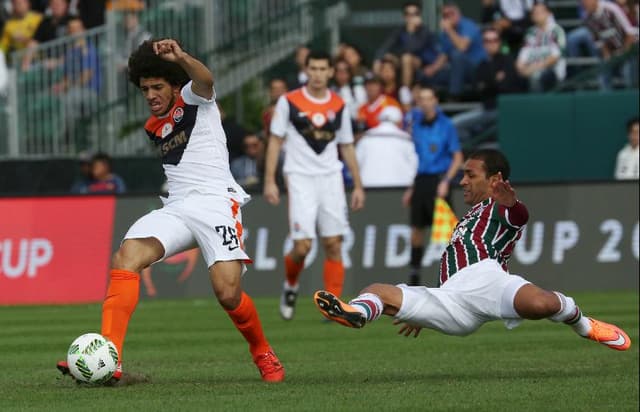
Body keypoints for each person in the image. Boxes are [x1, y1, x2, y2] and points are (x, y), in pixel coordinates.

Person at [56, 38, 285, 384]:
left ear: (175, 84)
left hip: (216, 204)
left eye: (157, 86)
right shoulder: (154, 126)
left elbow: (206, 80)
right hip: (177, 208)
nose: (150, 94)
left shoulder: (195, 99)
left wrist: (180, 57)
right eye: (145, 88)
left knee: (228, 293)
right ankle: (110, 358)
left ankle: (263, 353)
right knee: (126, 256)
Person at [314, 149, 631, 354]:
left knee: (542, 303)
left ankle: (585, 325)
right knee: (377, 290)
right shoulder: (467, 217)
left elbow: (518, 217)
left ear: (495, 180)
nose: (462, 180)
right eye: (463, 174)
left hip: (489, 282)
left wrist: (511, 204)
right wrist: (419, 315)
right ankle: (357, 313)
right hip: (450, 298)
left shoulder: (499, 206)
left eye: (470, 175)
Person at [263, 50, 366, 321]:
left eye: (323, 69)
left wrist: (357, 185)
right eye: (314, 68)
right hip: (299, 177)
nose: (318, 74)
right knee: (302, 247)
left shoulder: (339, 104)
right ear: (306, 71)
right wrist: (270, 180)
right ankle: (291, 285)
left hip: (331, 178)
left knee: (334, 243)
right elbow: (275, 141)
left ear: (331, 72)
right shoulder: (289, 102)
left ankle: (334, 308)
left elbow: (347, 145)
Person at [403, 85, 463, 286]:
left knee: (448, 232)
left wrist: (446, 181)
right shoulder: (416, 126)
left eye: (428, 98)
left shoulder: (446, 125)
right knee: (416, 229)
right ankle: (414, 275)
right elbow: (416, 158)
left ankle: (451, 276)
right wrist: (412, 187)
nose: (425, 103)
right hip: (421, 179)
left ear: (436, 100)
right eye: (421, 99)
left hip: (439, 179)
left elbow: (457, 157)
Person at [454, 28, 522, 148]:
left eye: (494, 40)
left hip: (503, 109)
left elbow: (507, 87)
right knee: (454, 125)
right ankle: (473, 148)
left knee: (456, 123)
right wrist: (495, 81)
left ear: (499, 42)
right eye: (487, 40)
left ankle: (475, 146)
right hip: (486, 108)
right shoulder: (482, 64)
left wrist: (487, 84)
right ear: (483, 44)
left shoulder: (508, 60)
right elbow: (478, 89)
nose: (491, 44)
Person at [373, 1, 440, 99]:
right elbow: (385, 47)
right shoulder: (400, 30)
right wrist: (378, 60)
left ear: (419, 15)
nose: (411, 17)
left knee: (406, 58)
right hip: (403, 62)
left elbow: (414, 48)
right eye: (408, 14)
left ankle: (405, 93)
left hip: (423, 64)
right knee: (385, 60)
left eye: (415, 14)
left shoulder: (425, 31)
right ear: (404, 16)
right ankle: (379, 96)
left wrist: (410, 33)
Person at [421, 1, 486, 100]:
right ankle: (430, 100)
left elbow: (462, 47)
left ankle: (454, 96)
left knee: (457, 55)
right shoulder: (445, 33)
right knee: (428, 74)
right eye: (445, 15)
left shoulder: (468, 25)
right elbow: (444, 55)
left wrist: (449, 30)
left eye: (452, 13)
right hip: (456, 72)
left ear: (458, 13)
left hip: (476, 70)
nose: (449, 17)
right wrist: (432, 69)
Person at [53, 16, 101, 147]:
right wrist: (60, 86)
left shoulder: (89, 49)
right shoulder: (70, 52)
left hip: (89, 91)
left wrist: (68, 86)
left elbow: (86, 76)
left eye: (77, 29)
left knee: (68, 99)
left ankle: (65, 140)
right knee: (54, 98)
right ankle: (70, 139)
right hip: (74, 91)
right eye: (72, 29)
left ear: (84, 30)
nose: (74, 32)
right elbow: (66, 77)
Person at [581, 0, 639, 89]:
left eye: (587, 1)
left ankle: (630, 94)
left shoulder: (611, 9)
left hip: (629, 50)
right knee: (603, 68)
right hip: (613, 53)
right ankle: (605, 97)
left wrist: (624, 53)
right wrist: (607, 57)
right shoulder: (587, 18)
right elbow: (599, 42)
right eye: (583, 2)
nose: (585, 4)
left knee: (628, 71)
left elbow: (630, 33)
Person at [356, 106, 417, 188]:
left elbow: (356, 164)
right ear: (399, 122)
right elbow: (414, 166)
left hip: (368, 187)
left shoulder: (365, 138)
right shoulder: (406, 140)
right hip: (400, 187)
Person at [516, 2, 567, 92]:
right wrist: (521, 69)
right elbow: (522, 57)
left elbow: (555, 57)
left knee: (539, 77)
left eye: (540, 12)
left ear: (549, 13)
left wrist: (533, 68)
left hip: (552, 73)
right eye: (534, 12)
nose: (536, 15)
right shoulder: (530, 32)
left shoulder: (557, 30)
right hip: (531, 71)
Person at [20, 0, 73, 70]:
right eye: (53, 4)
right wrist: (25, 63)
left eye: (59, 4)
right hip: (47, 64)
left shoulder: (73, 20)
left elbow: (78, 44)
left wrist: (59, 61)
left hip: (70, 64)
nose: (56, 6)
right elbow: (33, 43)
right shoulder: (45, 22)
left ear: (66, 5)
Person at [331, 58, 366, 122]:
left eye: (345, 71)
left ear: (349, 73)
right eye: (339, 71)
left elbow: (363, 111)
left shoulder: (358, 90)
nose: (342, 74)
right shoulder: (330, 91)